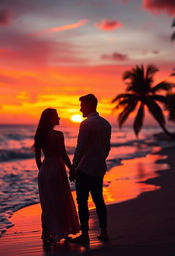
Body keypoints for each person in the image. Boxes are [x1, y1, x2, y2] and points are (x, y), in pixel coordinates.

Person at [70, 94, 111, 244]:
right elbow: (107, 148)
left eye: (82, 105)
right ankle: (104, 232)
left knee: (82, 202)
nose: (80, 109)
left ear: (89, 105)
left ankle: (85, 235)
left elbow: (79, 148)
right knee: (99, 200)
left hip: (85, 168)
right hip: (99, 168)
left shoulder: (86, 124)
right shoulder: (106, 124)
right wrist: (100, 159)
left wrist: (74, 167)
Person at [34, 108, 80, 244]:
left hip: (45, 169)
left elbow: (37, 158)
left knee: (47, 203)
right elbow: (64, 155)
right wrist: (72, 168)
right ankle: (63, 231)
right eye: (57, 116)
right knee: (61, 200)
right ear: (50, 119)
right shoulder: (58, 135)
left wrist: (42, 171)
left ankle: (45, 233)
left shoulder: (39, 135)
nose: (59, 118)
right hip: (57, 169)